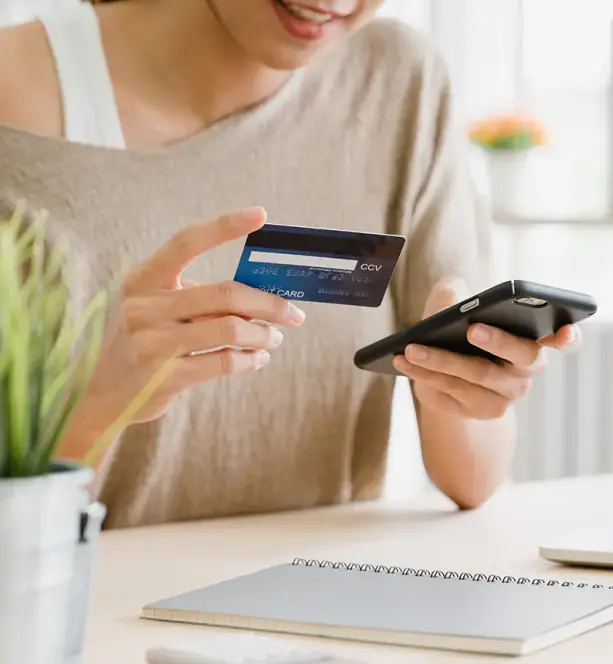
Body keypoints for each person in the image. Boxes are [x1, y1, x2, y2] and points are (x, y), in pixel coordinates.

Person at [0, 0, 579, 529]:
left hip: (324, 615)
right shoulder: (16, 94)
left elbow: (472, 479)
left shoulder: (397, 83)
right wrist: (97, 404)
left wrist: (459, 381)